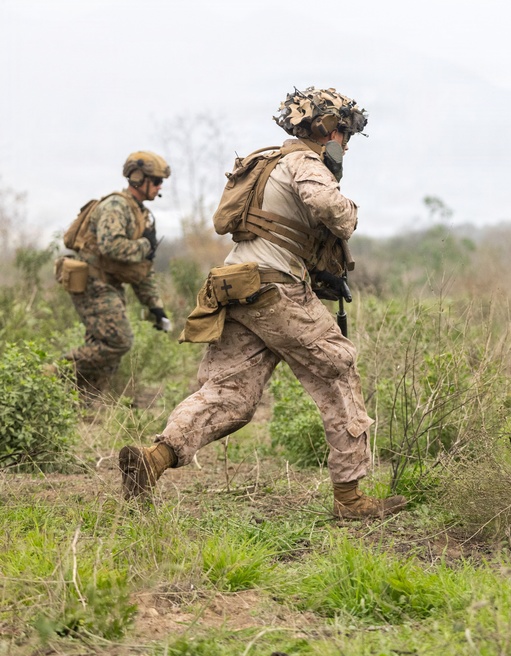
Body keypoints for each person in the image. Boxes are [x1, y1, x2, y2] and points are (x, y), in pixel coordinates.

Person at [118, 87, 406, 519]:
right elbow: (333, 210)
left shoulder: (267, 162)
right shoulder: (305, 162)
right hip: (275, 290)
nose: (346, 144)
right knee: (338, 369)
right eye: (344, 134)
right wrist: (346, 203)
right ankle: (351, 499)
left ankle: (153, 460)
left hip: (236, 286)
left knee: (229, 395)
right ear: (327, 130)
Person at [63, 152, 172, 393]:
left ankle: (85, 407)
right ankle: (53, 374)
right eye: (155, 181)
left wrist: (154, 306)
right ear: (137, 178)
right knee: (118, 341)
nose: (159, 186)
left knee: (105, 350)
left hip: (110, 285)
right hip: (92, 282)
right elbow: (111, 246)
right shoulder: (116, 206)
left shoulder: (141, 215)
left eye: (160, 182)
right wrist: (145, 244)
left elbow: (140, 268)